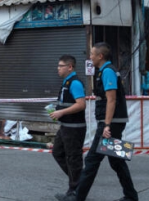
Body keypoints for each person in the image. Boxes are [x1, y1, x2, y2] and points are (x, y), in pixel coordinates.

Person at [59, 43, 138, 201]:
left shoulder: (108, 71)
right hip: (113, 122)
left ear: (100, 56)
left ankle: (77, 196)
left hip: (111, 123)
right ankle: (131, 196)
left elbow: (111, 100)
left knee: (92, 160)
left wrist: (107, 125)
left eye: (92, 54)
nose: (90, 57)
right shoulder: (104, 71)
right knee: (117, 161)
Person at [49, 55, 86, 200]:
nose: (58, 69)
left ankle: (75, 190)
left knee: (73, 158)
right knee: (58, 152)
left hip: (74, 128)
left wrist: (61, 112)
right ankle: (79, 182)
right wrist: (56, 111)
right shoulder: (66, 82)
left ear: (70, 67)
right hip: (65, 126)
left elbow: (81, 104)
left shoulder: (75, 83)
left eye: (60, 66)